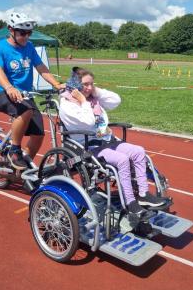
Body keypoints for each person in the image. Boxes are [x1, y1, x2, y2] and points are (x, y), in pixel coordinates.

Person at [59, 67, 166, 215]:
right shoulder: (67, 104)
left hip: (106, 140)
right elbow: (89, 122)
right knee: (122, 160)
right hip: (87, 146)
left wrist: (96, 92)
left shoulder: (94, 99)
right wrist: (83, 100)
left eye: (92, 84)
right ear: (76, 86)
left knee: (139, 151)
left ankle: (143, 195)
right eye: (85, 84)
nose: (89, 88)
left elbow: (116, 100)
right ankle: (130, 202)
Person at [0, 12, 65, 171]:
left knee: (38, 135)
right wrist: (9, 87)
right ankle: (14, 150)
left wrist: (57, 84)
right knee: (26, 111)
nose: (26, 37)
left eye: (29, 33)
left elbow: (41, 67)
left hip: (25, 95)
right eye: (22, 33)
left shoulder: (29, 47)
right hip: (2, 92)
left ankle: (22, 167)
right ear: (11, 30)